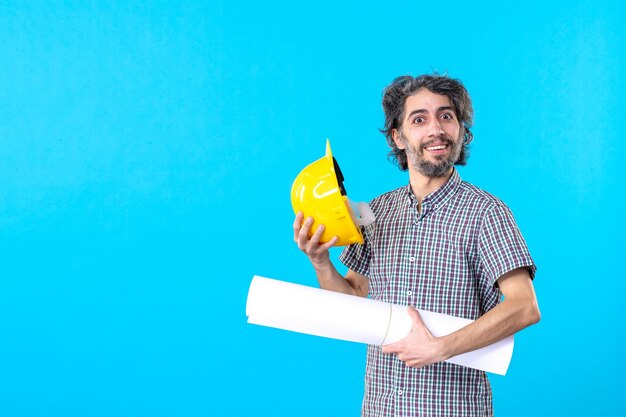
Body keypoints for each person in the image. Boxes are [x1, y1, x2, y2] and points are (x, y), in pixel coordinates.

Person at [293, 73, 540, 417]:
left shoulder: (487, 213)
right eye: (419, 119)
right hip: (380, 407)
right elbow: (352, 300)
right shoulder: (378, 212)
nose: (435, 129)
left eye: (446, 116)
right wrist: (320, 261)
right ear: (397, 137)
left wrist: (440, 348)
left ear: (461, 131)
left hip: (453, 409)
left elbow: (524, 306)